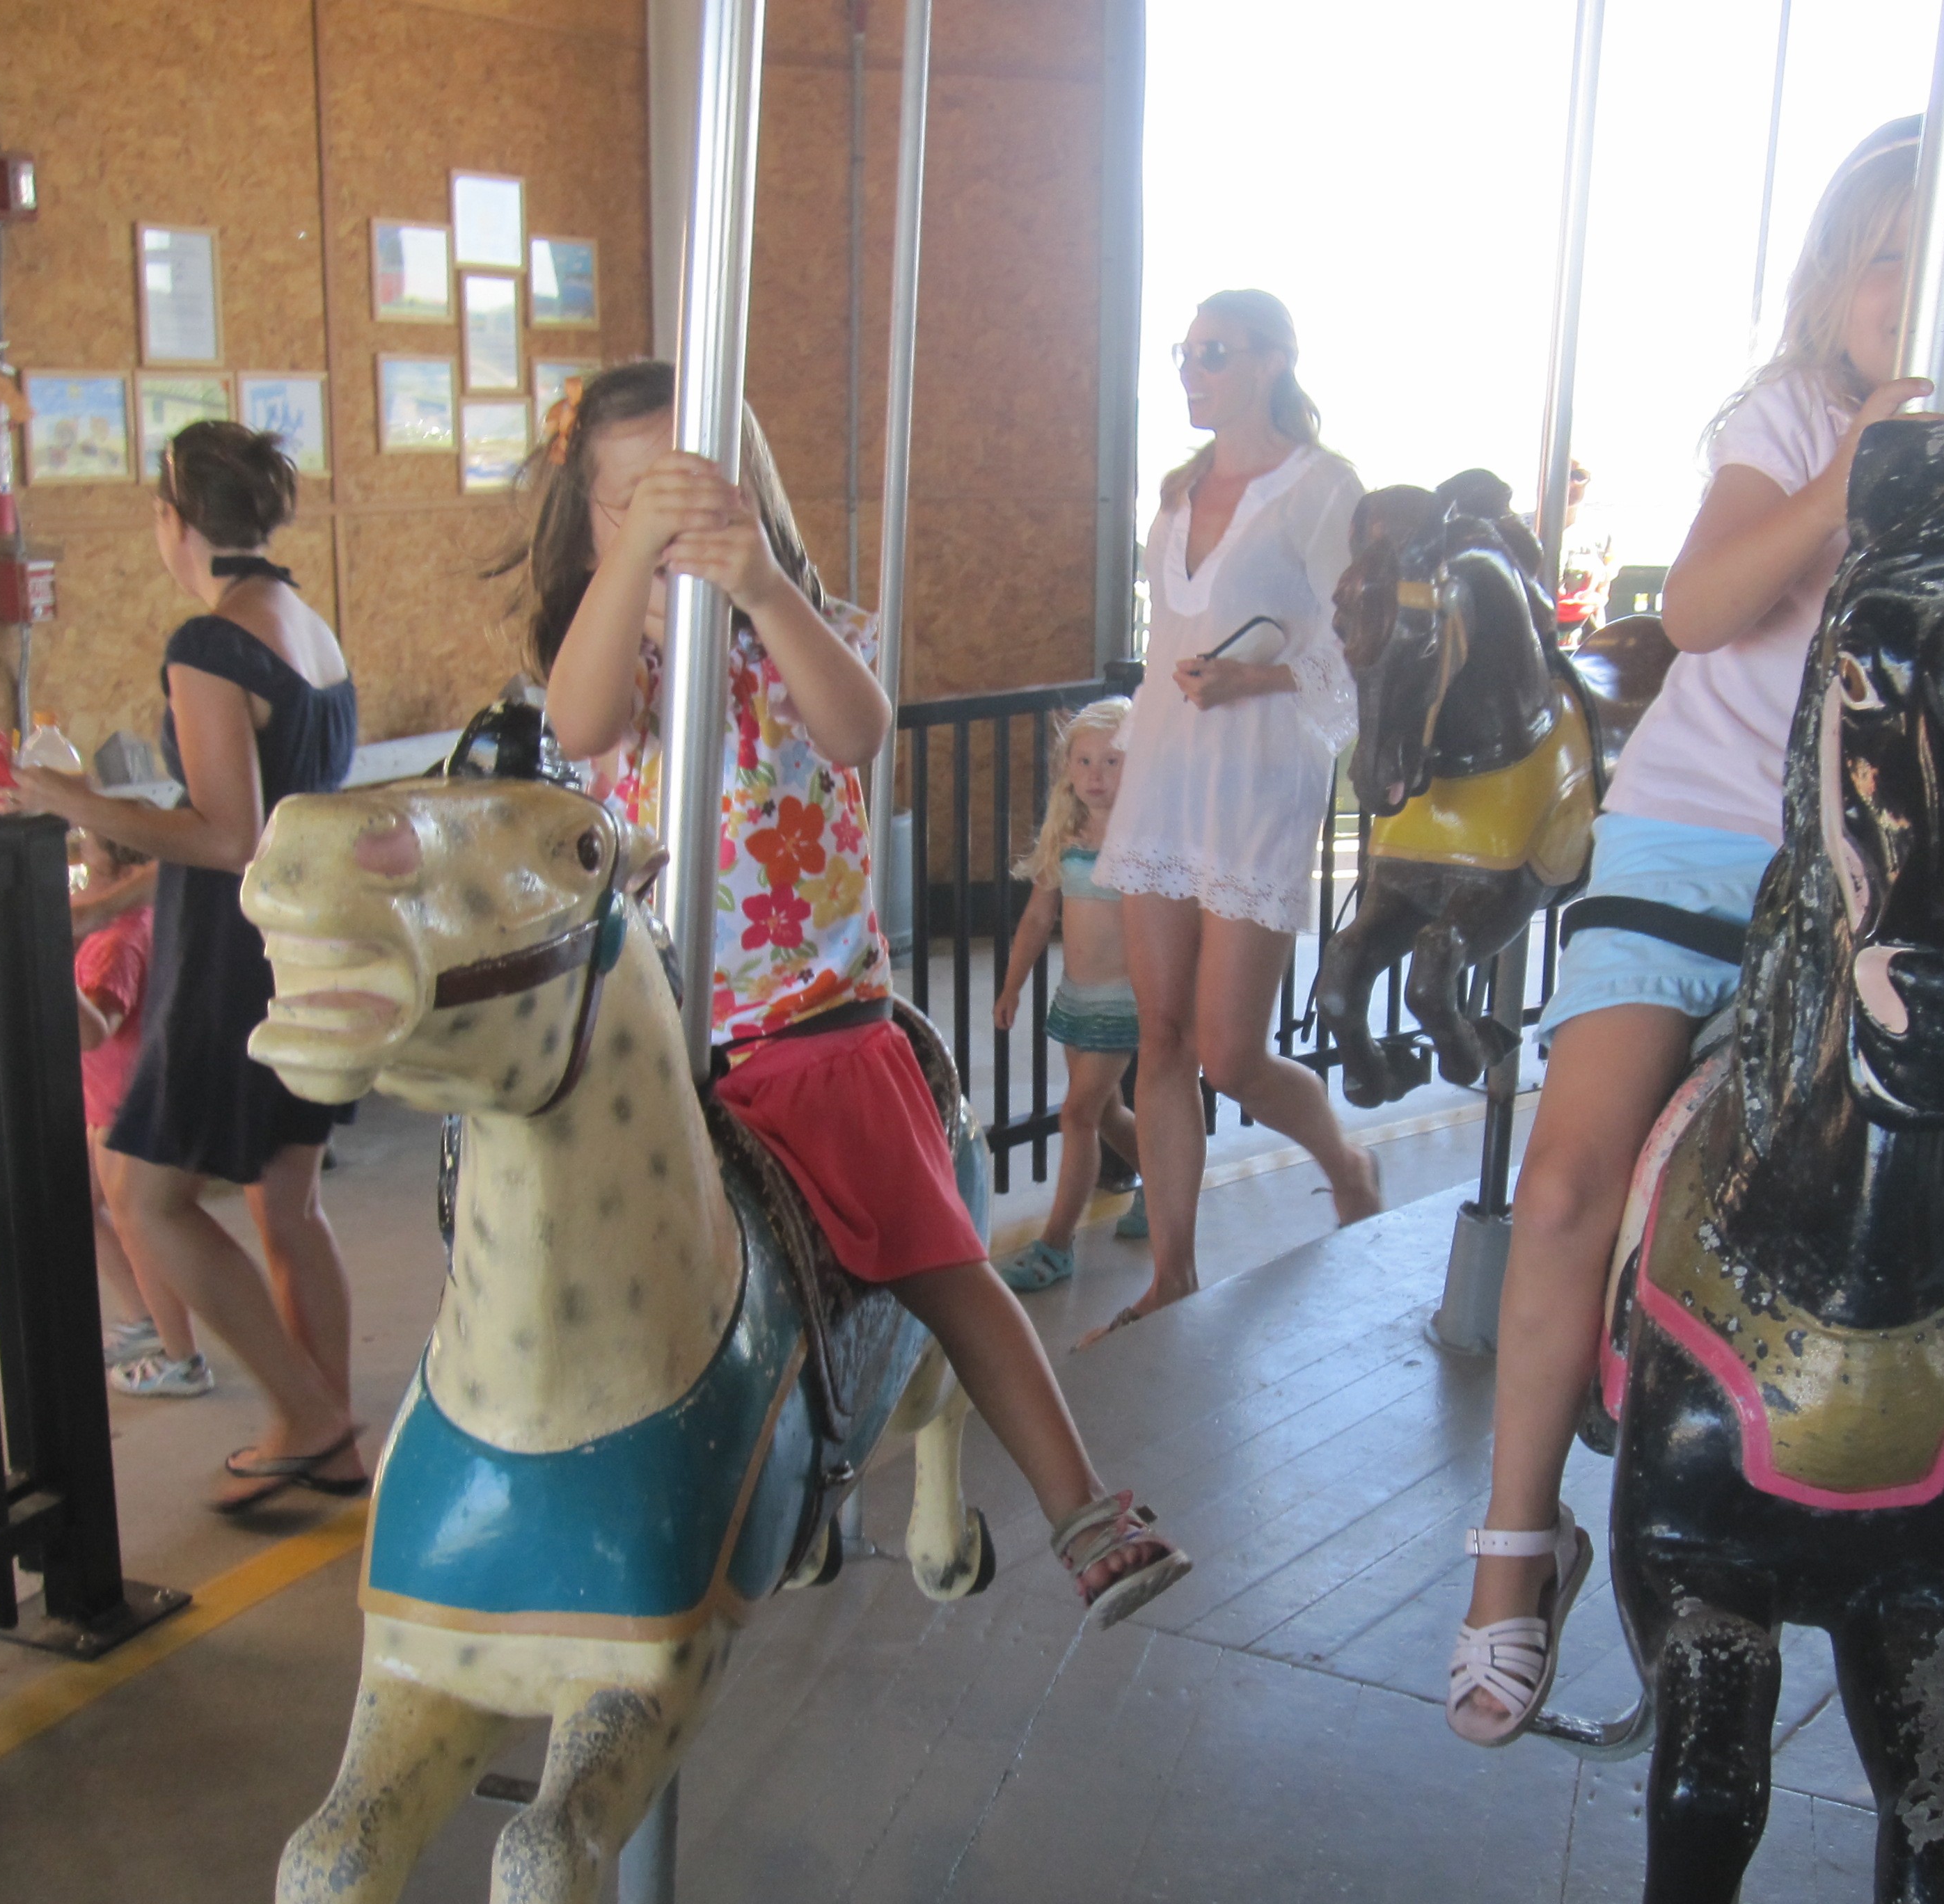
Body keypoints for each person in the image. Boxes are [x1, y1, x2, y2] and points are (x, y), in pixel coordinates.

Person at [1444, 121, 1944, 1747]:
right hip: (1700, 851)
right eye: (1880, 256)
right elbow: (1700, 610)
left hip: (1895, 886)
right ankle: (1516, 1538)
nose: (1911, 287)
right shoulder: (1785, 422)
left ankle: (1936, 1411)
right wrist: (1850, 480)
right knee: (1563, 1181)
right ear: (1831, 287)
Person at [530, 361, 1190, 1624]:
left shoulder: (802, 627)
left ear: (751, 490)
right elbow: (579, 719)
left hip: (806, 1023)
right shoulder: (621, 655)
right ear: (591, 522)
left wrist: (760, 586)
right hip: (650, 1039)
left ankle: (1078, 1504)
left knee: (938, 1259)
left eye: (698, 490)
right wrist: (629, 575)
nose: (670, 522)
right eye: (636, 501)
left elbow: (856, 728)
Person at [2, 422, 364, 1512]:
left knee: (140, 1196)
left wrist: (73, 801)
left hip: (231, 961)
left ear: (175, 521)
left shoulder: (210, 642)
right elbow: (271, 815)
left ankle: (308, 1414)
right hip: (309, 941)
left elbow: (227, 834)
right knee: (288, 1206)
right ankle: (330, 1438)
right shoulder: (308, 627)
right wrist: (125, 865)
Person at [1088, 288, 1382, 1346]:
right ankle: (1173, 1273)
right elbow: (1169, 642)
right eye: (1186, 350)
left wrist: (1255, 682)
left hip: (1257, 780)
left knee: (1230, 1055)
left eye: (1214, 352)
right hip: (1168, 776)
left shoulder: (1323, 488)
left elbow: (1360, 649)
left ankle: (1346, 1162)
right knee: (1159, 1037)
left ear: (1273, 361)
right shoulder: (1177, 492)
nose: (1192, 370)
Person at [992, 697, 1147, 1293]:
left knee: (1077, 1114)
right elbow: (1038, 919)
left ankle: (1056, 1247)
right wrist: (1012, 985)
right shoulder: (1065, 836)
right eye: (1084, 761)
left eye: (1112, 761)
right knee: (1104, 1112)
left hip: (1122, 1003)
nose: (1095, 775)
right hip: (1075, 999)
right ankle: (1161, 1188)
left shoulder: (1142, 840)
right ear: (1067, 769)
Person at [74, 830, 204, 1396]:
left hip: (122, 1106)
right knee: (83, 1208)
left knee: (139, 1228)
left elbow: (95, 1030)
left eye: (87, 853)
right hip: (106, 1101)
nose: (78, 863)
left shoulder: (119, 942)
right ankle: (146, 1319)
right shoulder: (134, 922)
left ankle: (182, 1356)